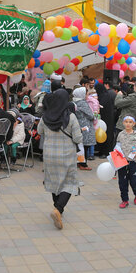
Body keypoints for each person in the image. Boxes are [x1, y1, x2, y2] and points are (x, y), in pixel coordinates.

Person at [38, 89, 82, 230]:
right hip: (66, 156)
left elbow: (39, 131)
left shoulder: (45, 116)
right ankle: (58, 209)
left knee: (54, 180)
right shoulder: (71, 117)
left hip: (49, 155)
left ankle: (58, 209)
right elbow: (77, 138)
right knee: (69, 182)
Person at [116, 116, 136, 208]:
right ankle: (124, 200)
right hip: (122, 162)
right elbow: (117, 146)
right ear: (123, 123)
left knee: (134, 181)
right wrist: (117, 153)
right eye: (126, 122)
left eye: (130, 122)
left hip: (133, 162)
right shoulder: (120, 134)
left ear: (134, 124)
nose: (128, 124)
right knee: (122, 182)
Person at [72, 87, 96, 165]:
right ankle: (83, 163)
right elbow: (90, 115)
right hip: (86, 126)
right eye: (86, 94)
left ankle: (79, 161)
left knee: (80, 145)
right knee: (85, 146)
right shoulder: (83, 103)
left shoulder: (74, 101)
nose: (87, 95)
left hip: (78, 124)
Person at [95, 82, 115, 158]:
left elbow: (102, 105)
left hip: (107, 119)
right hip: (104, 118)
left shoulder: (105, 96)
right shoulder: (104, 95)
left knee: (107, 134)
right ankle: (101, 151)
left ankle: (106, 152)